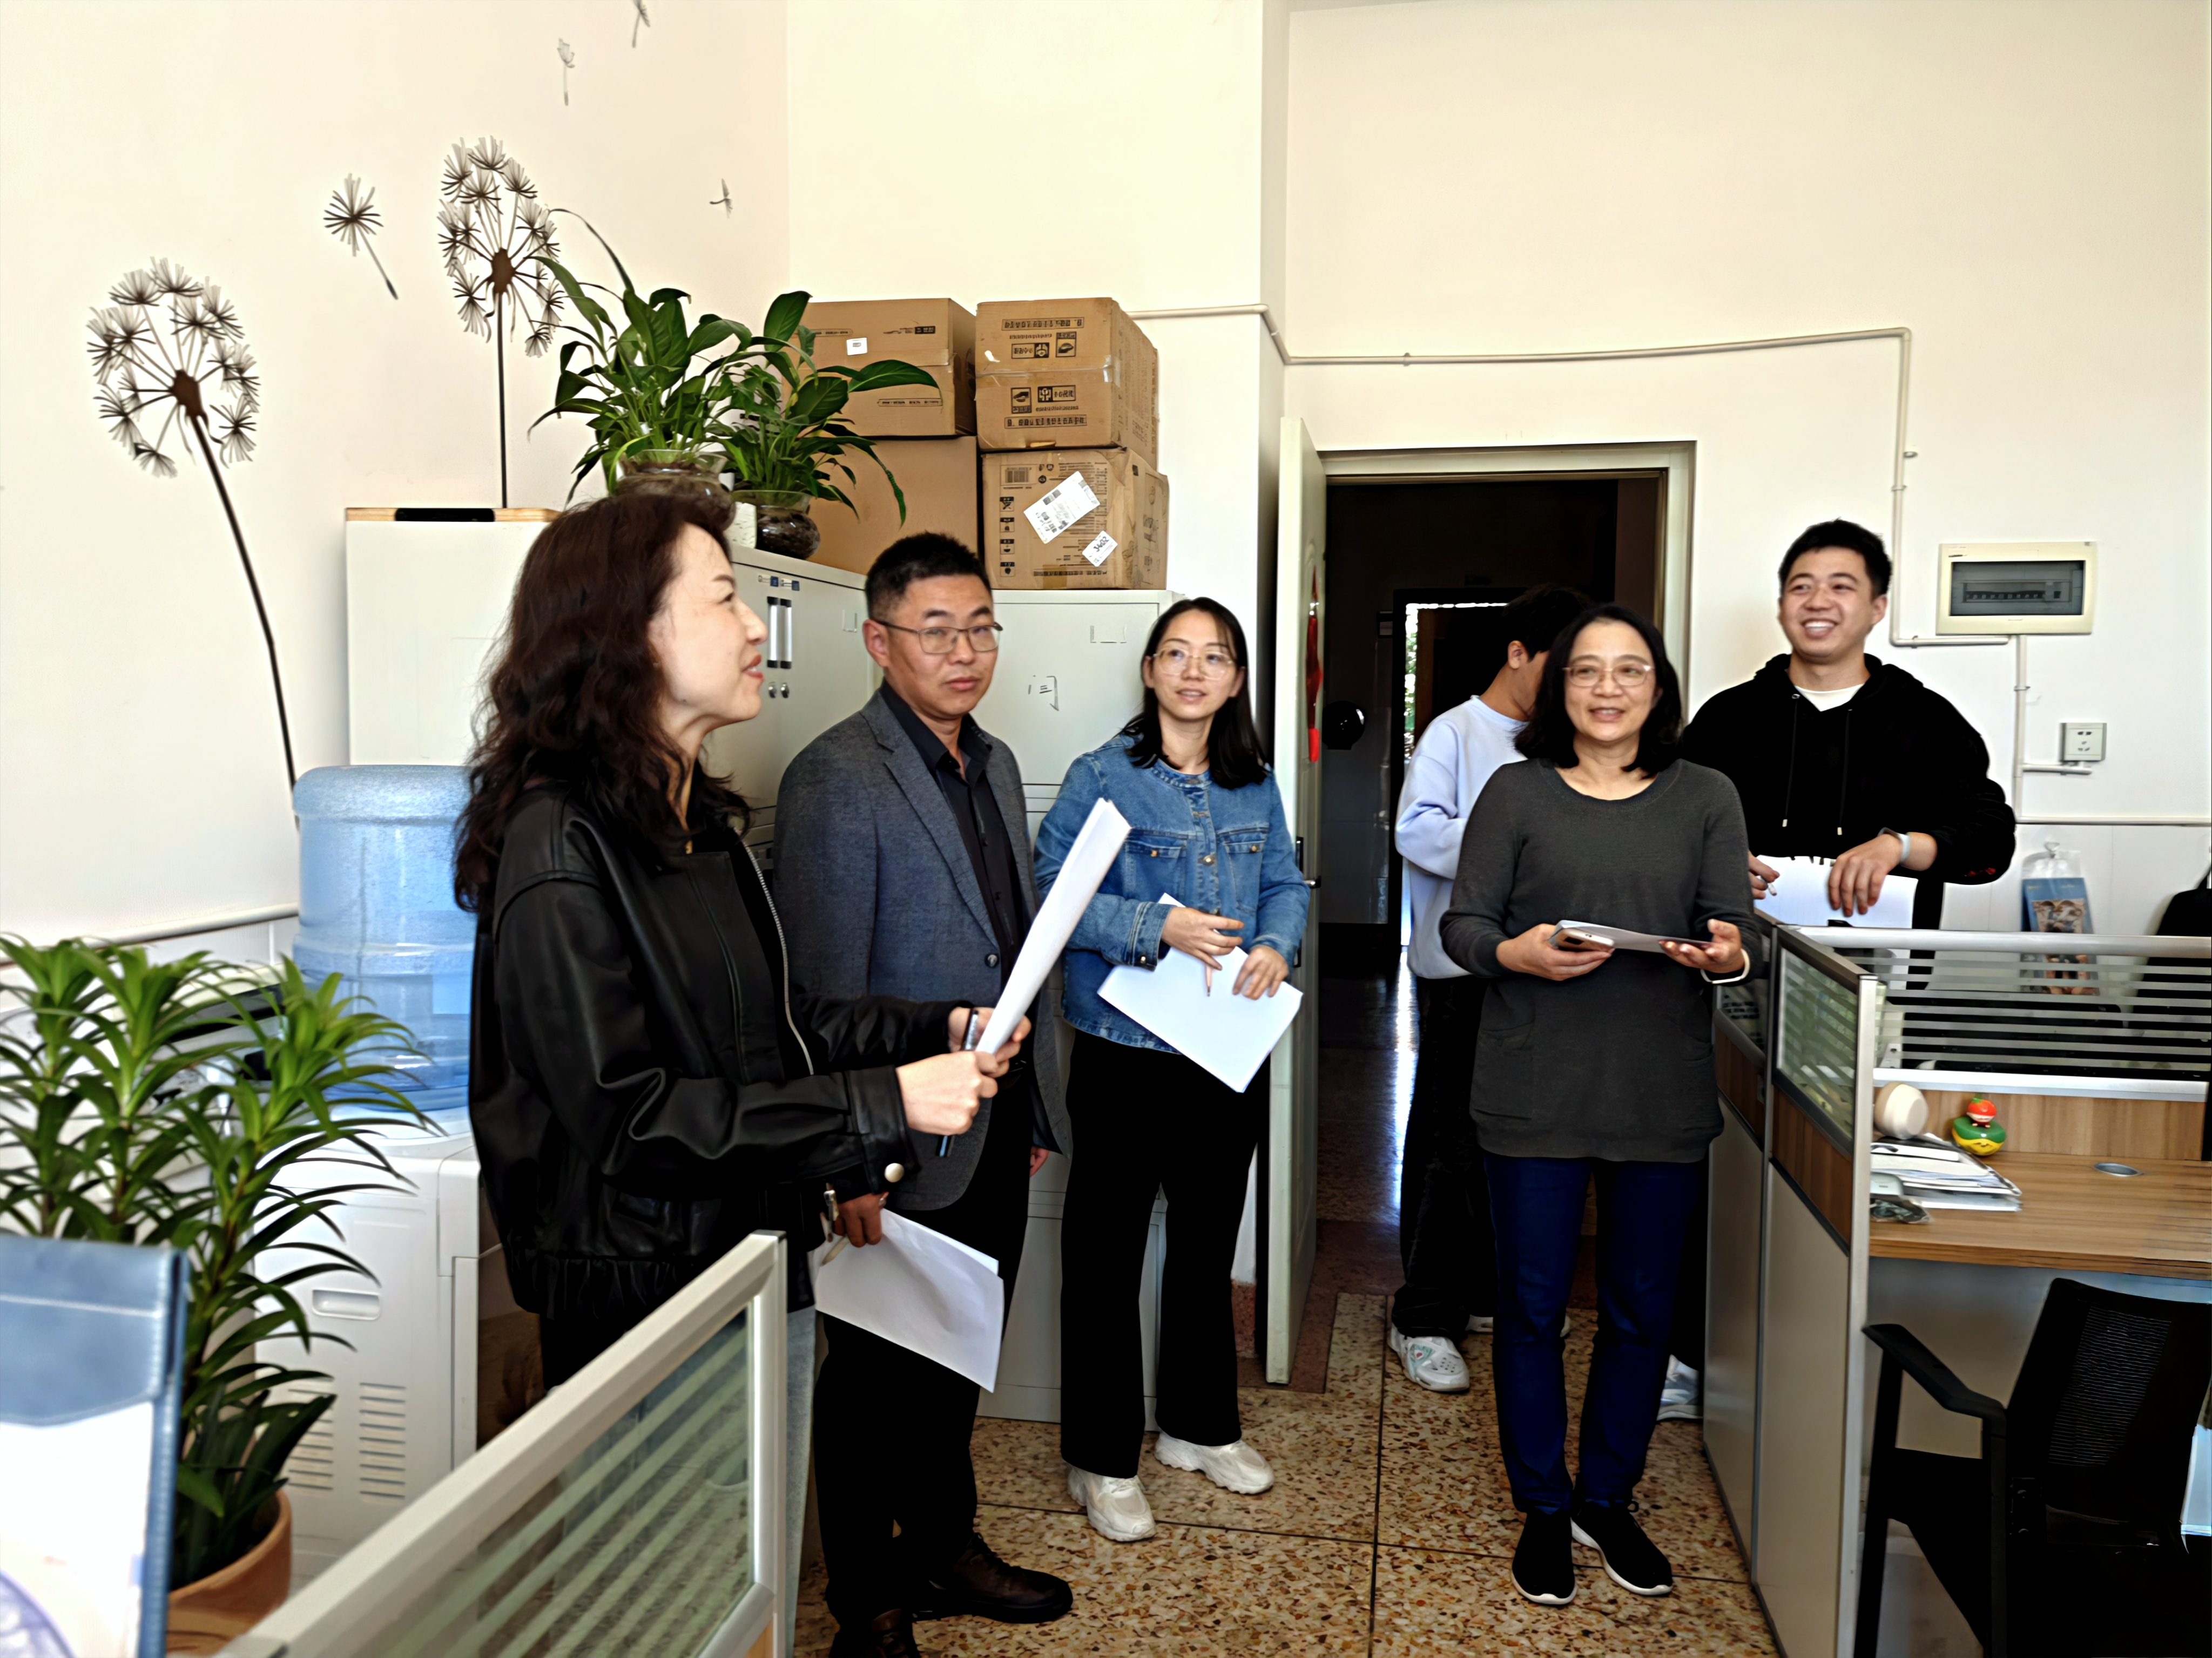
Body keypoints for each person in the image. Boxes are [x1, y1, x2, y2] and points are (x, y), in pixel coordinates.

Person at [456, 492, 1022, 1646]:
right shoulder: (558, 844)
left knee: (737, 1583)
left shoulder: (696, 825)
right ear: (627, 633)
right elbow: (633, 1120)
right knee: (654, 1600)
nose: (758, 626)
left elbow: (780, 1026)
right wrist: (885, 1104)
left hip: (749, 1257)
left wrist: (935, 1023)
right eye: (723, 599)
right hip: (642, 1293)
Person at [774, 534, 1076, 1656]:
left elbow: (1012, 944)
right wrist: (848, 1163)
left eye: (980, 627)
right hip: (892, 1134)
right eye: (936, 630)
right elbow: (817, 998)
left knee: (957, 1346)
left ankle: (945, 1544)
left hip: (993, 1115)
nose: (965, 652)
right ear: (878, 640)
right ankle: (868, 1601)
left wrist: (1033, 1108)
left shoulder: (993, 762)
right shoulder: (835, 777)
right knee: (869, 1379)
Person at [1440, 601, 1754, 1608]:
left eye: (1630, 670)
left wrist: (1725, 953)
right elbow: (1463, 926)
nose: (1608, 688)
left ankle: (1607, 1498)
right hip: (1533, 1087)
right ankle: (1543, 1504)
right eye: (1586, 670)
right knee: (1532, 1308)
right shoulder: (1515, 791)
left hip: (1659, 1092)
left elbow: (1736, 931)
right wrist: (1516, 953)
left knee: (1639, 1309)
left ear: (1658, 688)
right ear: (1558, 687)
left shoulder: (1706, 795)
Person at [1668, 517, 2014, 1421]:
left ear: (1878, 607)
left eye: (1841, 586)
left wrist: (1902, 845)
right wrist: (1716, 863)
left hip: (1870, 994)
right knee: (1719, 1162)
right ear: (1782, 602)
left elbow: (1990, 840)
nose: (1818, 602)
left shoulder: (1925, 722)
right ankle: (1696, 1358)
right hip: (1739, 978)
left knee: (1835, 1174)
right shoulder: (1729, 717)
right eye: (1801, 585)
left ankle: (1812, 1382)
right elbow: (1667, 824)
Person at [1038, 597, 1311, 1545]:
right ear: (1151, 670)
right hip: (1124, 1052)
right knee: (1104, 1256)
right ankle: (1100, 1457)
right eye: (1177, 654)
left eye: (1216, 658)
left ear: (1235, 681)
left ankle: (1197, 1426)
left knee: (1205, 1246)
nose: (1195, 672)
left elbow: (1284, 882)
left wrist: (1277, 943)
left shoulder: (1254, 783)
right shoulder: (1103, 777)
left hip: (1224, 1051)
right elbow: (1051, 894)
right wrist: (1159, 926)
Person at [1390, 583, 1588, 1394]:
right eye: (1562, 667)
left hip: (1540, 973)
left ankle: (1485, 1296)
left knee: (1519, 1141)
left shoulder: (1567, 743)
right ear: (1517, 653)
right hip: (1462, 973)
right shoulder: (1456, 731)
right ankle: (1422, 1315)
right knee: (1450, 1144)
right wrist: (1513, 839)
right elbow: (1416, 831)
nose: (1578, 687)